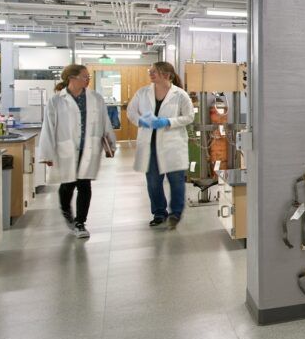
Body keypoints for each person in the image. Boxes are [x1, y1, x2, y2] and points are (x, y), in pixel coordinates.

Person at [38, 63, 115, 239]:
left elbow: (105, 122)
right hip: (66, 149)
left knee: (84, 185)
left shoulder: (96, 98)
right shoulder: (56, 100)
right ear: (72, 78)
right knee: (67, 185)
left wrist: (111, 144)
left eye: (88, 77)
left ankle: (80, 222)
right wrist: (47, 154)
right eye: (84, 77)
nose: (88, 80)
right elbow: (48, 128)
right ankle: (66, 211)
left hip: (89, 147)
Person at [128, 61, 195, 229]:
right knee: (153, 182)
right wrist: (141, 121)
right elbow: (131, 111)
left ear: (166, 75)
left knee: (176, 182)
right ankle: (159, 212)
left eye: (154, 72)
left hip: (172, 144)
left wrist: (168, 122)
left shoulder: (180, 95)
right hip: (149, 144)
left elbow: (189, 117)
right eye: (150, 71)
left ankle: (176, 213)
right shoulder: (143, 93)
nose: (150, 74)